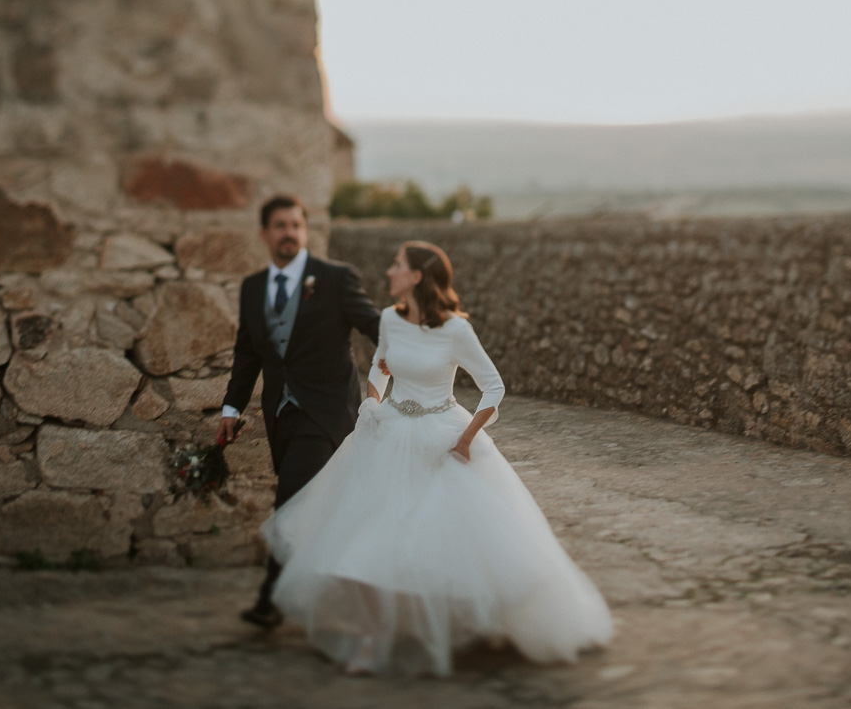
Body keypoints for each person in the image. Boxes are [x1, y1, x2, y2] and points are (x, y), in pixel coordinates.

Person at [259, 241, 612, 675]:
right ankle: (372, 637)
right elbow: (379, 366)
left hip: (440, 437)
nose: (389, 271)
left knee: (451, 543)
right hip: (387, 433)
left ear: (417, 277)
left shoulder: (455, 331)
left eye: (397, 265)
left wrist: (466, 439)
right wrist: (372, 403)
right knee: (361, 541)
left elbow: (493, 386)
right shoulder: (389, 318)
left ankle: (467, 624)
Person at [219, 195, 380, 629]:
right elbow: (247, 354)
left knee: (289, 501)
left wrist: (421, 339)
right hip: (281, 415)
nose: (288, 232)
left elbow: (373, 324)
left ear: (304, 231)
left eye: (295, 225)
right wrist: (231, 407)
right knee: (322, 507)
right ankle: (355, 588)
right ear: (265, 233)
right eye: (279, 225)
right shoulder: (253, 287)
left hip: (326, 413)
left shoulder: (334, 278)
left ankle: (270, 600)